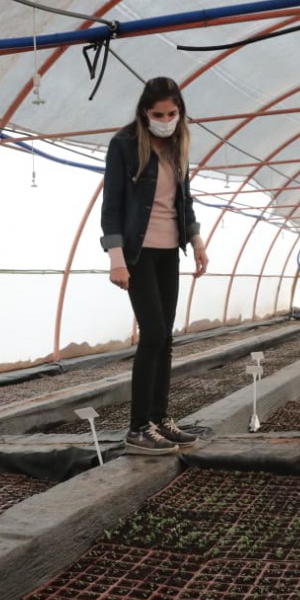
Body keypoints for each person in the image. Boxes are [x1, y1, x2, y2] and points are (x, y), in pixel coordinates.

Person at [101, 77, 210, 455]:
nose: (165, 120)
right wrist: (116, 259)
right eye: (158, 114)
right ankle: (137, 428)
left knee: (166, 337)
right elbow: (111, 205)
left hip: (169, 250)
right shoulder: (124, 145)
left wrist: (196, 242)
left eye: (172, 113)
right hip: (138, 252)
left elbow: (185, 200)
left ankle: (160, 418)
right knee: (152, 334)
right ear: (144, 113)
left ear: (180, 112)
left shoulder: (179, 144)